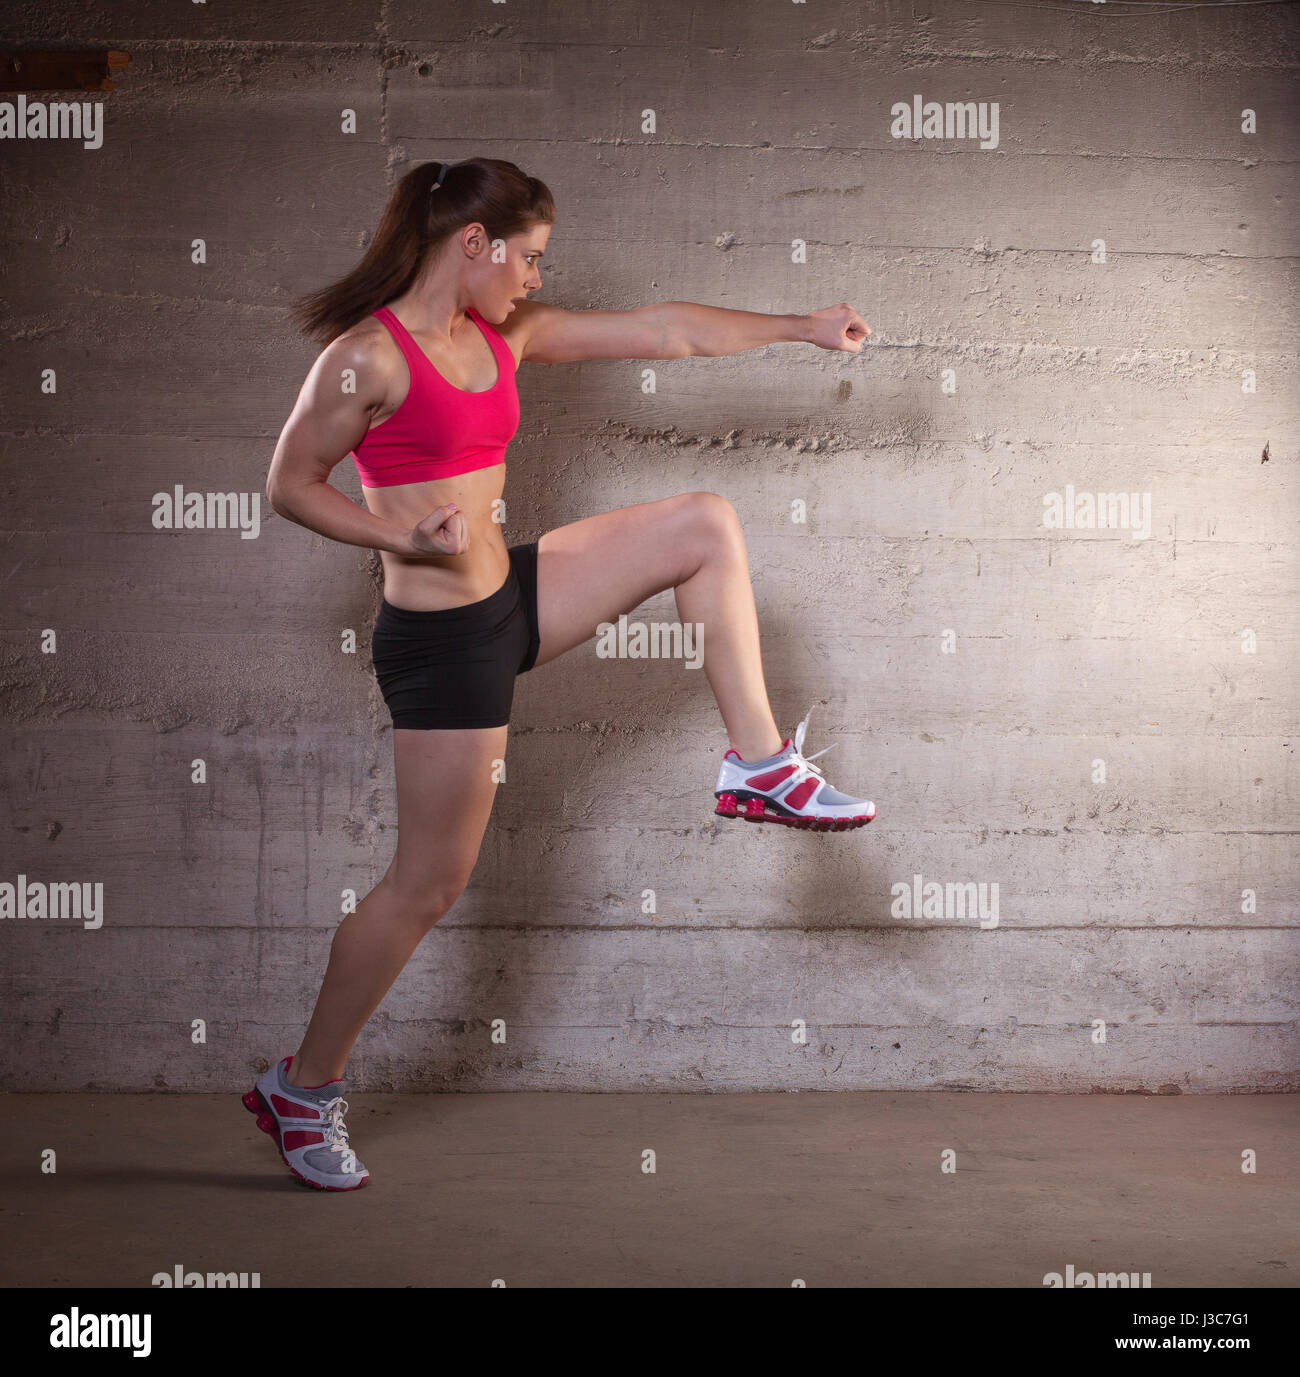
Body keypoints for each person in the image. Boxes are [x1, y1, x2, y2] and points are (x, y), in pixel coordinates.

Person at [244, 157, 876, 1191]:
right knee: (427, 885)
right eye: (527, 258)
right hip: (442, 648)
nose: (535, 280)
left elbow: (663, 328)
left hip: (515, 596)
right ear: (473, 245)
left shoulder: (509, 338)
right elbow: (288, 484)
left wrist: (800, 328)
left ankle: (759, 767)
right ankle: (301, 1093)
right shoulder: (368, 359)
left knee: (703, 524)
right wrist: (398, 536)